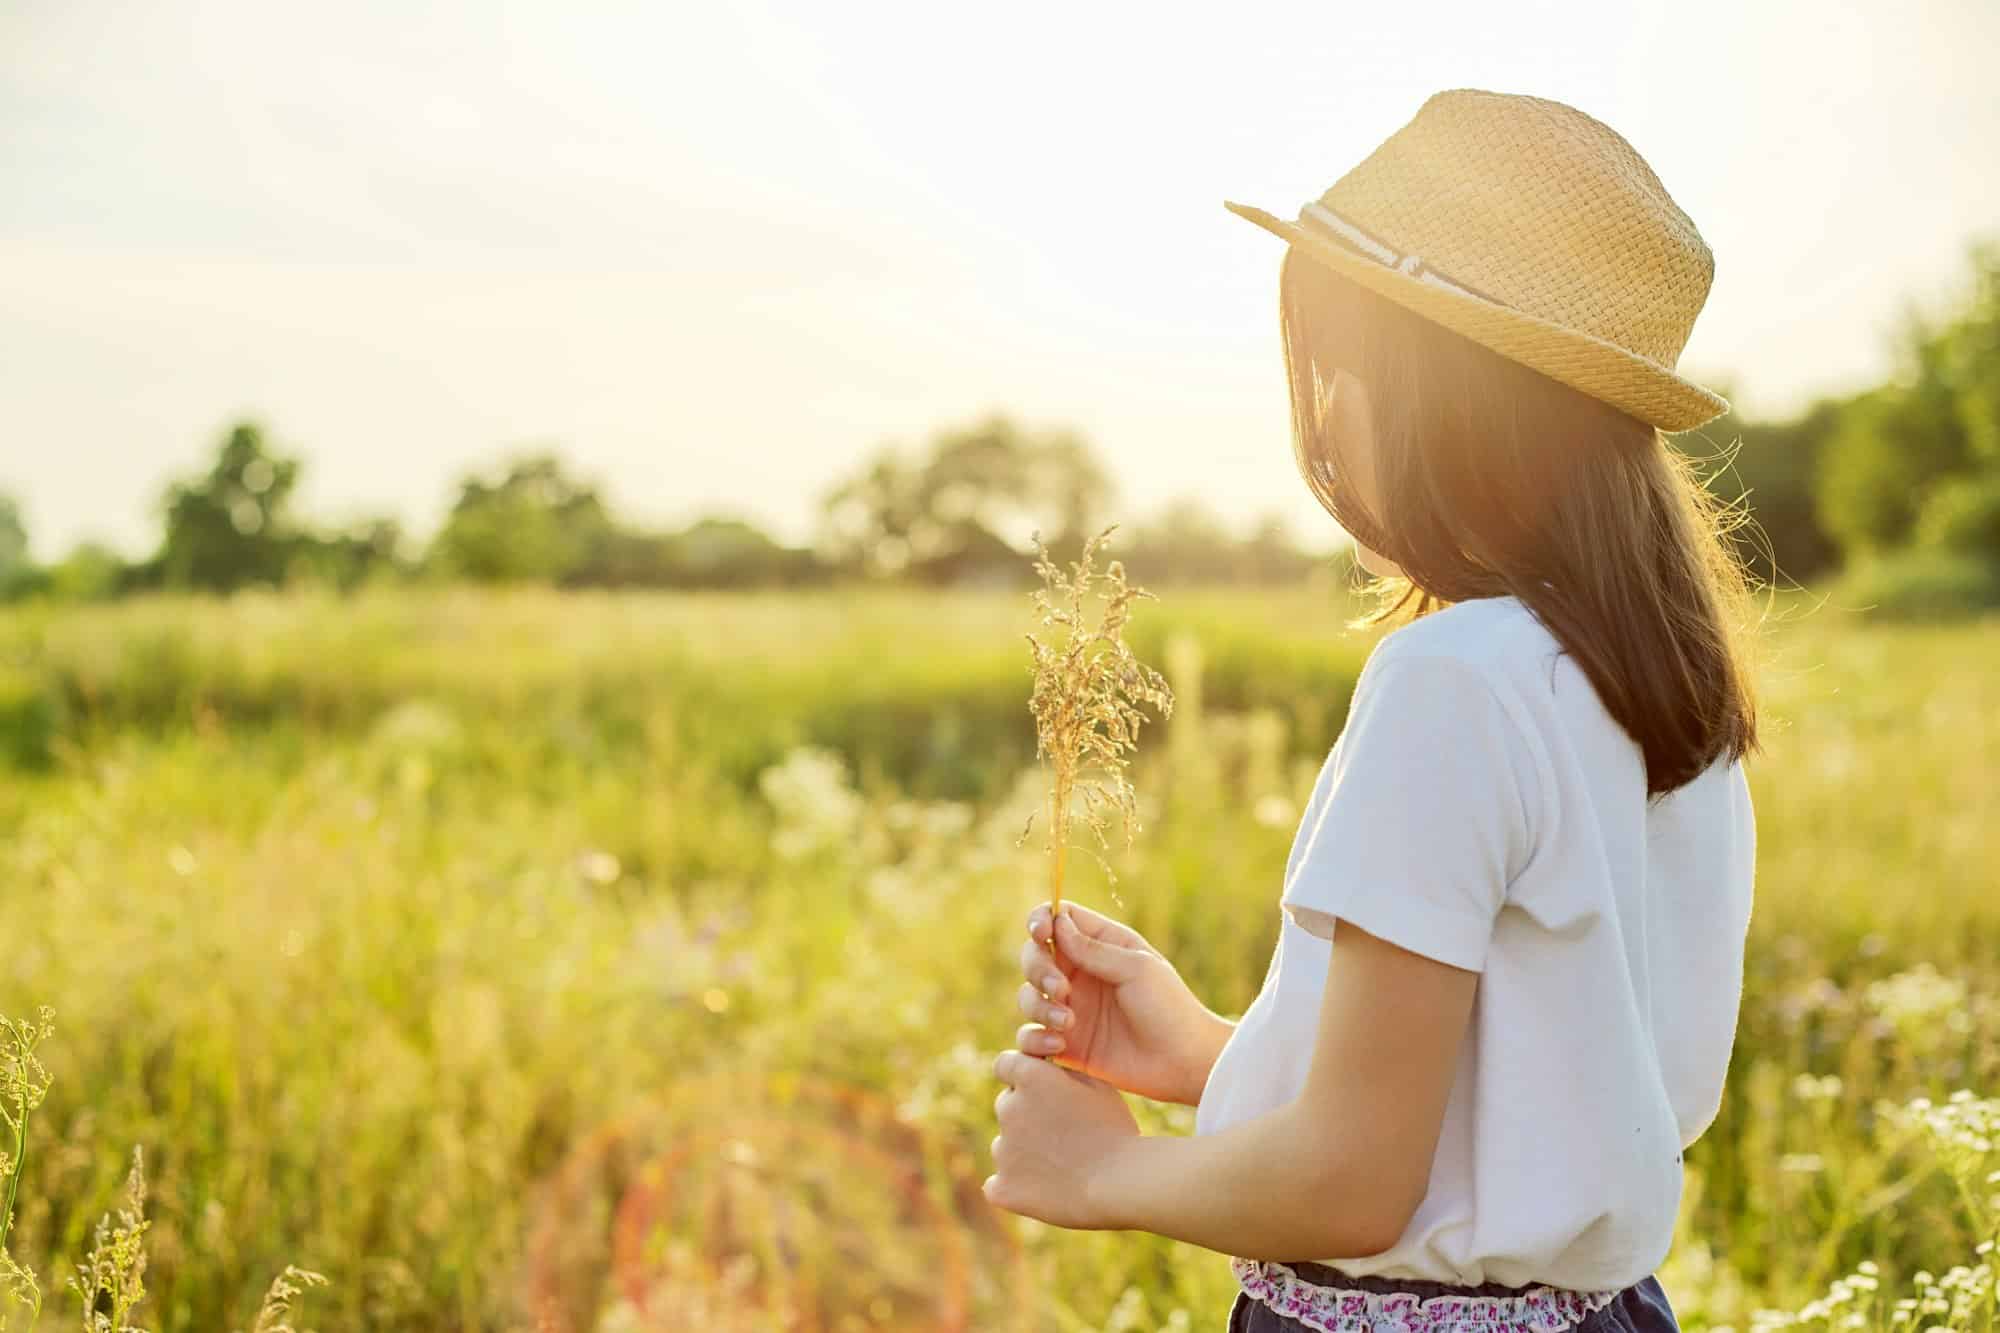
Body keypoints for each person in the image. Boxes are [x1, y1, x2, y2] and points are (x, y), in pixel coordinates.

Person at [983, 88, 1761, 1333]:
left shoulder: (1452, 681)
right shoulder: (1658, 682)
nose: (1325, 410)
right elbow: (1523, 1096)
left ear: (1434, 395)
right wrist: (1205, 1053)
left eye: (1340, 368)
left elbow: (1352, 1183)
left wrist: (1105, 1171)